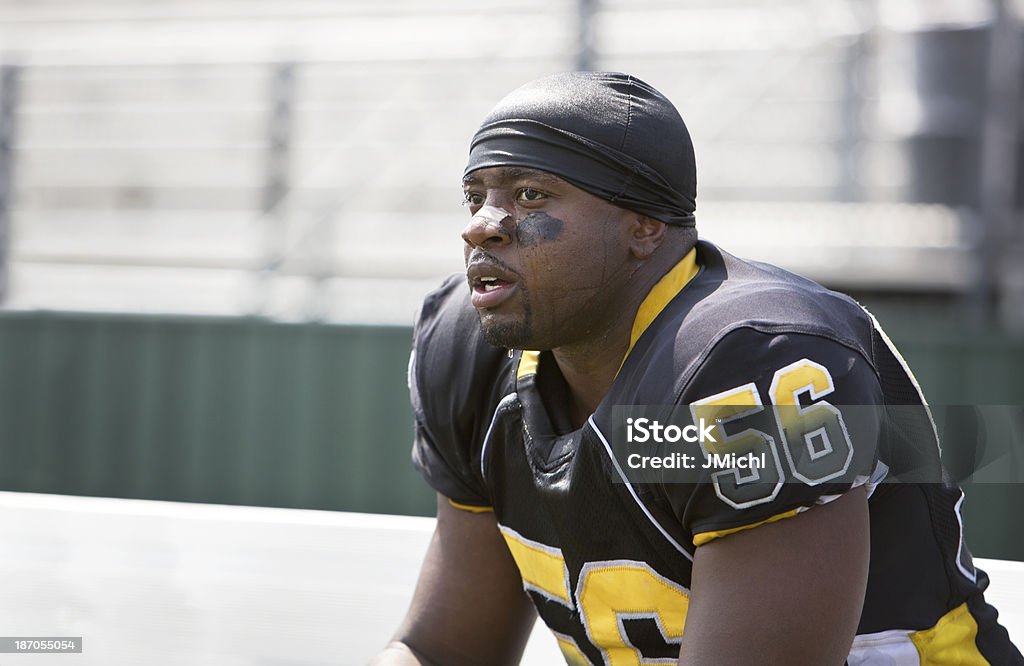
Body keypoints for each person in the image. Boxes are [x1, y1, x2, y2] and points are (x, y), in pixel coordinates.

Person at [371, 72, 1023, 665]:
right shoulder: (474, 352)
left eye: (532, 194)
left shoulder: (753, 363)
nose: (482, 226)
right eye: (475, 196)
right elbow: (443, 649)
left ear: (644, 227)